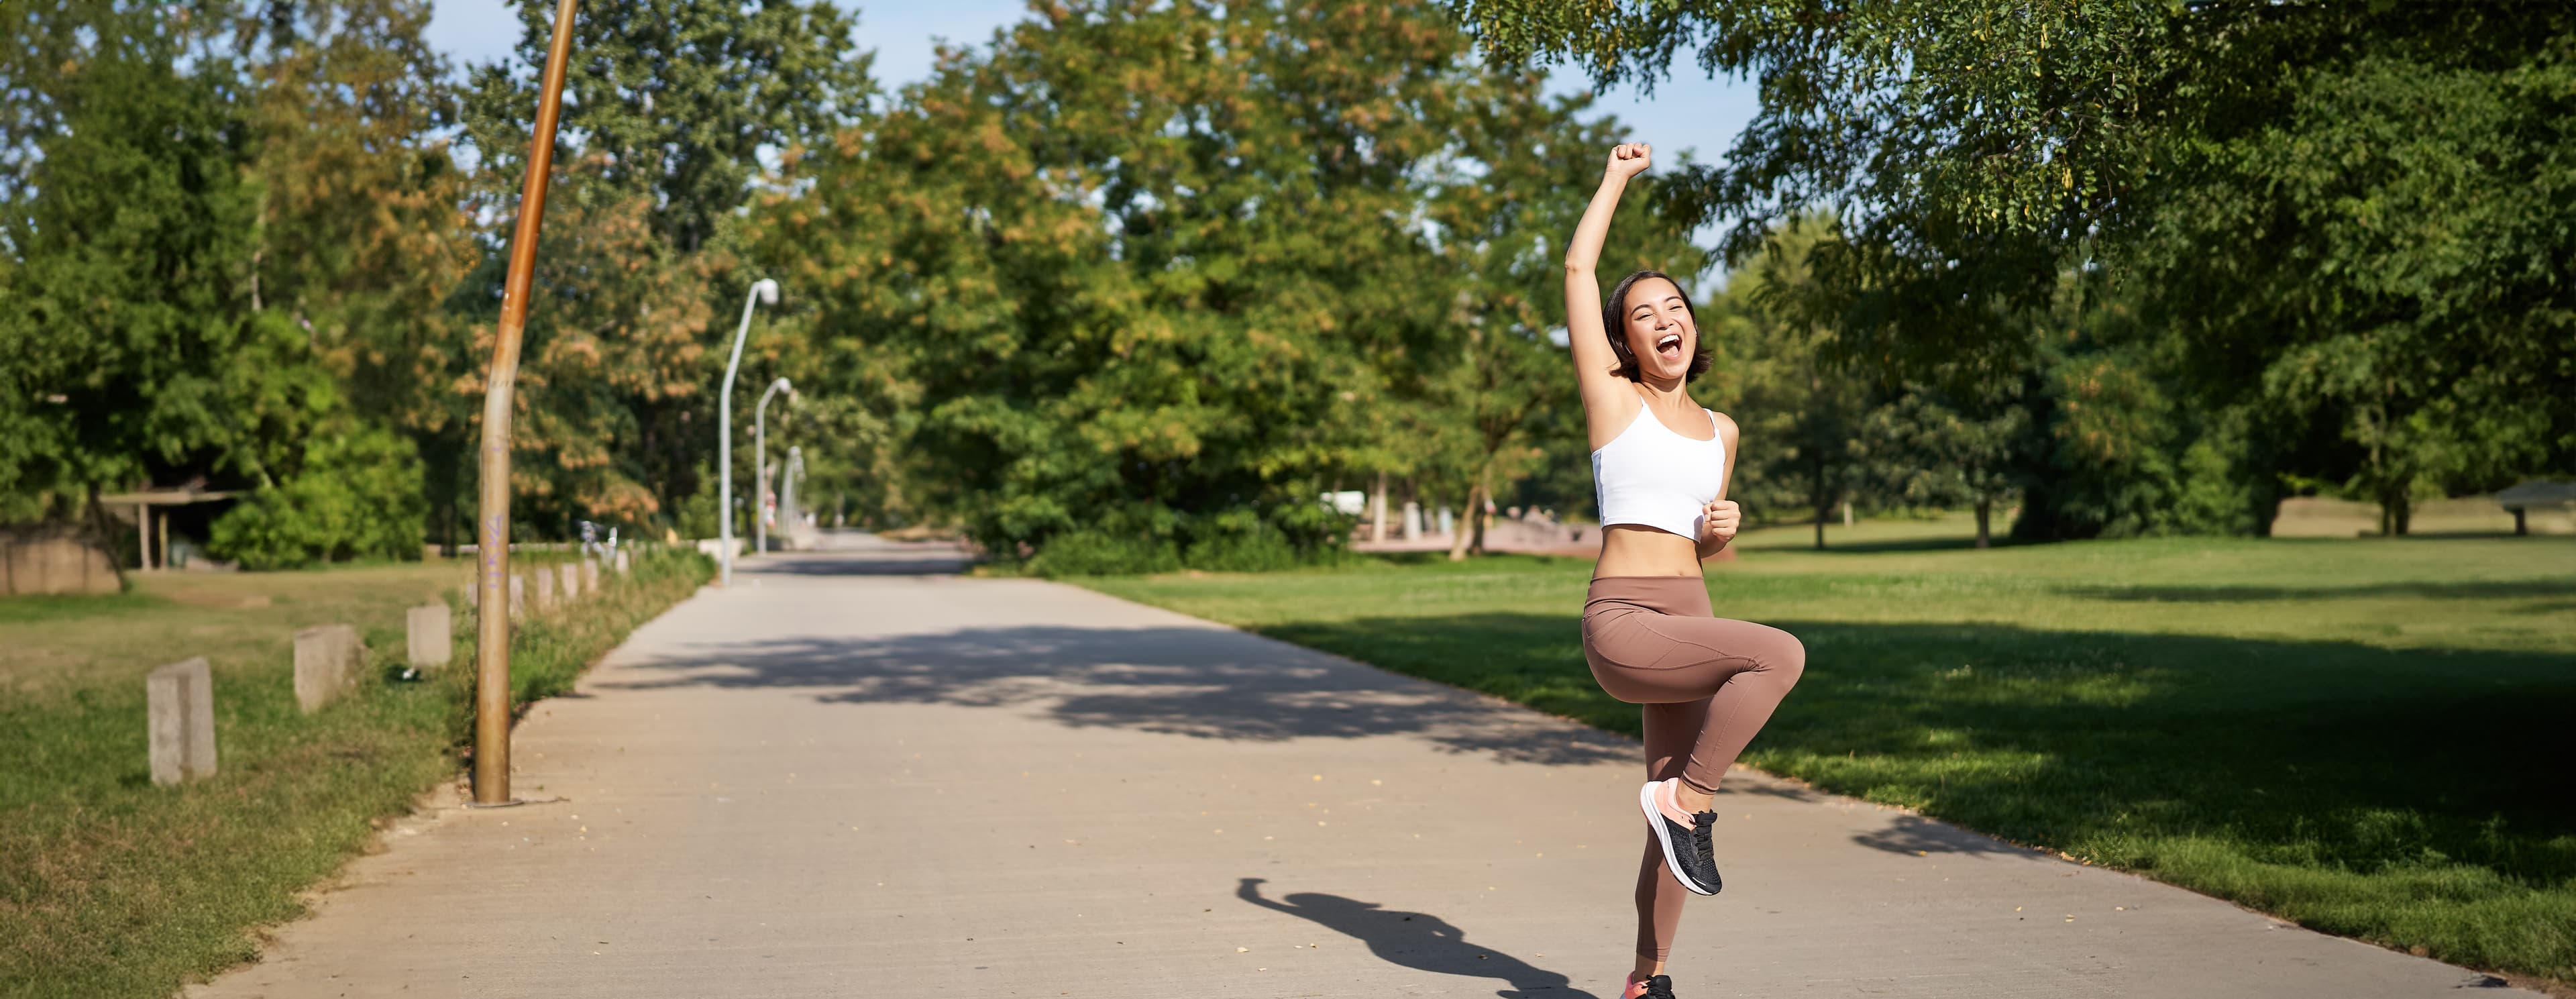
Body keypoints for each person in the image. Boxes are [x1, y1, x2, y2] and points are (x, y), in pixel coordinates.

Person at [1562, 142, 1808, 999]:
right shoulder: (1612, 398)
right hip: (1625, 620)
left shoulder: (1722, 429)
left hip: (1688, 615)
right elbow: (1579, 263)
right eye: (1642, 314)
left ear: (1691, 325)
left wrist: (1722, 529)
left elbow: (1707, 549)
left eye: (1675, 306)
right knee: (1779, 654)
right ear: (1623, 339)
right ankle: (1689, 800)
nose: (1664, 319)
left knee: (1666, 820)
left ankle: (1647, 980)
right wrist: (1616, 180)